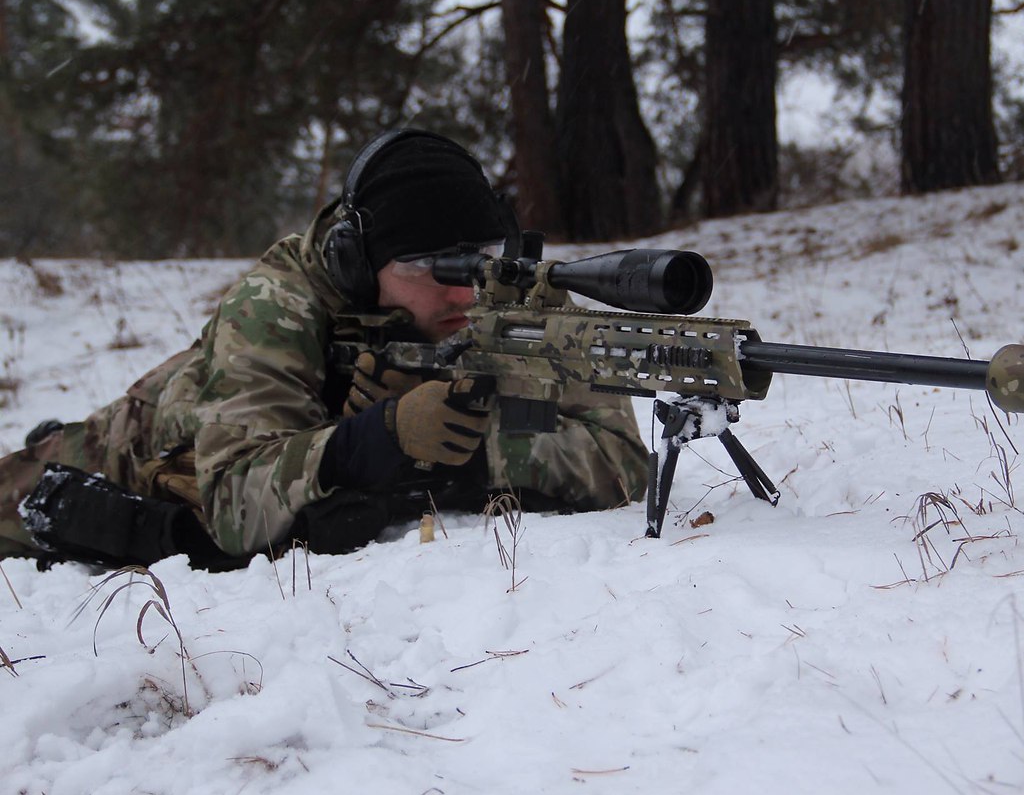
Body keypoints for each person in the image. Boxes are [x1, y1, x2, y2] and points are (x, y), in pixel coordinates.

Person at [0, 128, 649, 569]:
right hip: (129, 446)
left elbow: (622, 464)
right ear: (359, 263)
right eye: (428, 266)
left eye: (479, 260)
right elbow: (232, 504)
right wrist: (374, 439)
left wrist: (469, 455)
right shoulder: (274, 306)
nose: (465, 294)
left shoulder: (509, 299)